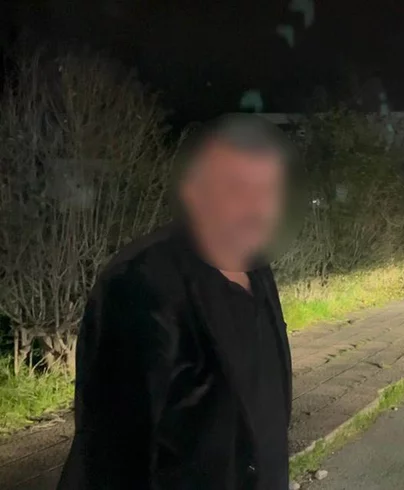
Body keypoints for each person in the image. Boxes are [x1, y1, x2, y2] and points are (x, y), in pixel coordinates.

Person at [58, 114, 295, 490]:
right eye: (237, 187)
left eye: (268, 189)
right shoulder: (140, 282)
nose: (257, 207)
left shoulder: (256, 267)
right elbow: (109, 452)